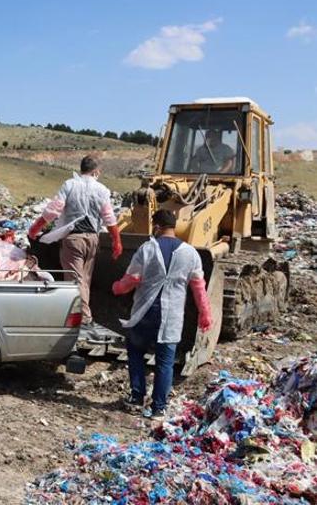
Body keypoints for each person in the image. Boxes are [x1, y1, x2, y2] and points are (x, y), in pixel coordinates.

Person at [112, 209, 213, 420]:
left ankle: (137, 396)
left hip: (145, 312)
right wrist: (205, 314)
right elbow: (198, 287)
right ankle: (159, 408)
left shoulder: (147, 248)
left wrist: (116, 288)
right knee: (165, 361)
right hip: (172, 315)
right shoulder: (191, 253)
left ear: (156, 226)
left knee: (136, 351)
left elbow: (132, 279)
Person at [28, 155, 122, 343]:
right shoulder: (102, 189)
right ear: (96, 171)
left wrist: (35, 229)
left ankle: (82, 320)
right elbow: (109, 218)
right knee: (84, 280)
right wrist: (116, 241)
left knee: (74, 281)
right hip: (93, 240)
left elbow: (53, 210)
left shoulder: (70, 185)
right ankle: (83, 317)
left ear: (82, 169)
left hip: (74, 239)